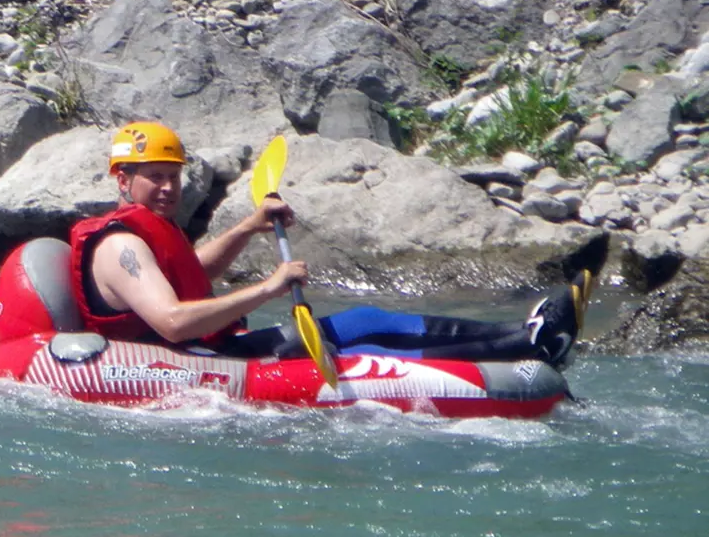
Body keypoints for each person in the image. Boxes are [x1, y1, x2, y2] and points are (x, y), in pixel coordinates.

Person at [70, 122, 593, 368]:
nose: (166, 188)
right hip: (193, 360)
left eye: (173, 177)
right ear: (123, 180)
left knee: (363, 318)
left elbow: (189, 272)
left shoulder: (146, 234)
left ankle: (519, 331)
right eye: (153, 178)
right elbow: (173, 322)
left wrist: (248, 227)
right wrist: (268, 287)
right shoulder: (120, 247)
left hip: (211, 346)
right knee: (364, 350)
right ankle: (531, 347)